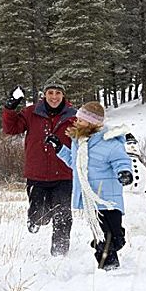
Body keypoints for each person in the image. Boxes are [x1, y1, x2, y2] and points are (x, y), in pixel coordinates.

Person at [45, 101, 133, 269]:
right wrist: (59, 148)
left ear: (91, 123)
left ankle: (115, 241)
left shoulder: (110, 143)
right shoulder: (79, 141)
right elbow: (75, 163)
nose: (75, 121)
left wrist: (124, 172)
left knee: (116, 237)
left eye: (80, 119)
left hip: (109, 199)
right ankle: (108, 264)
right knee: (102, 235)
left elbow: (121, 160)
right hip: (90, 197)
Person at [2, 83, 77, 256]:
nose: (54, 97)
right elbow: (11, 128)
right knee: (40, 215)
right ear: (45, 94)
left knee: (63, 215)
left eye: (58, 93)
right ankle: (35, 219)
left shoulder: (73, 116)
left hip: (63, 174)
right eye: (50, 92)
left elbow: (87, 135)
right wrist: (10, 108)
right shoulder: (31, 112)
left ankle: (59, 254)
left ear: (63, 95)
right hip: (37, 174)